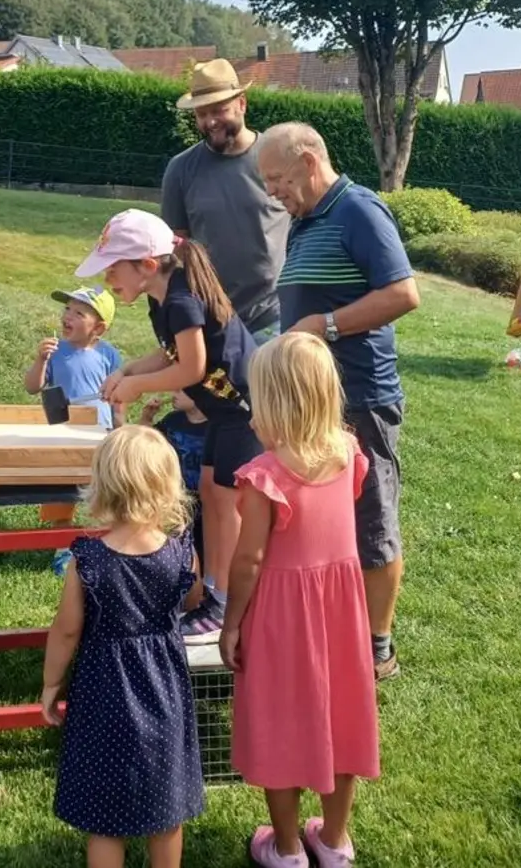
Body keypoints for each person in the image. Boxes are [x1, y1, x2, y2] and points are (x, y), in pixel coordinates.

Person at [255, 122, 420, 681]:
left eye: (276, 178)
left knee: (372, 519)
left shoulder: (359, 210)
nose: (272, 192)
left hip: (361, 399)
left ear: (307, 161)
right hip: (313, 404)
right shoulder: (303, 223)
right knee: (325, 523)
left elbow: (403, 294)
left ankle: (379, 647)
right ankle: (335, 627)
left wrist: (321, 326)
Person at [220, 332, 381, 868]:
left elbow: (248, 562)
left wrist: (231, 624)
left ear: (277, 404)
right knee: (342, 720)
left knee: (281, 723)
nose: (250, 416)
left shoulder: (264, 476)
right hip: (341, 615)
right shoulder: (349, 453)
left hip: (283, 619)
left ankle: (286, 848)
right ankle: (334, 842)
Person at [73, 208, 263, 644]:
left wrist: (137, 386)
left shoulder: (179, 300)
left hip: (246, 411)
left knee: (226, 502)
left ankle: (226, 601)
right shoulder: (162, 300)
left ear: (148, 265)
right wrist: (129, 371)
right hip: (224, 413)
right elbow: (172, 355)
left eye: (113, 269)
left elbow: (192, 369)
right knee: (214, 494)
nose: (108, 280)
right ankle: (214, 595)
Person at [42, 425, 206, 868]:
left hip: (104, 694)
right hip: (164, 692)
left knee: (105, 820)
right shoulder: (181, 555)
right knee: (167, 812)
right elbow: (191, 599)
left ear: (104, 487)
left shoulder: (88, 561)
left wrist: (50, 684)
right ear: (168, 487)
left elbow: (67, 631)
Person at [163, 58, 291, 346]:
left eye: (219, 110)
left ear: (242, 104)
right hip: (212, 320)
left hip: (275, 317)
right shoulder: (181, 170)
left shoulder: (276, 159)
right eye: (201, 114)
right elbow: (176, 251)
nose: (209, 122)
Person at [24, 285, 124, 431]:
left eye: (79, 313)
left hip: (99, 429)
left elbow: (118, 398)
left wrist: (119, 427)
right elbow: (31, 388)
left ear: (98, 328)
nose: (68, 316)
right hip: (63, 429)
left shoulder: (109, 355)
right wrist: (41, 360)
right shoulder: (55, 350)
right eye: (67, 308)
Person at [139, 391, 209, 572]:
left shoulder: (217, 426)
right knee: (175, 549)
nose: (173, 393)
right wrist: (146, 419)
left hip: (209, 503)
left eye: (180, 390)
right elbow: (146, 448)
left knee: (205, 551)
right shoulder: (173, 421)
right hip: (176, 502)